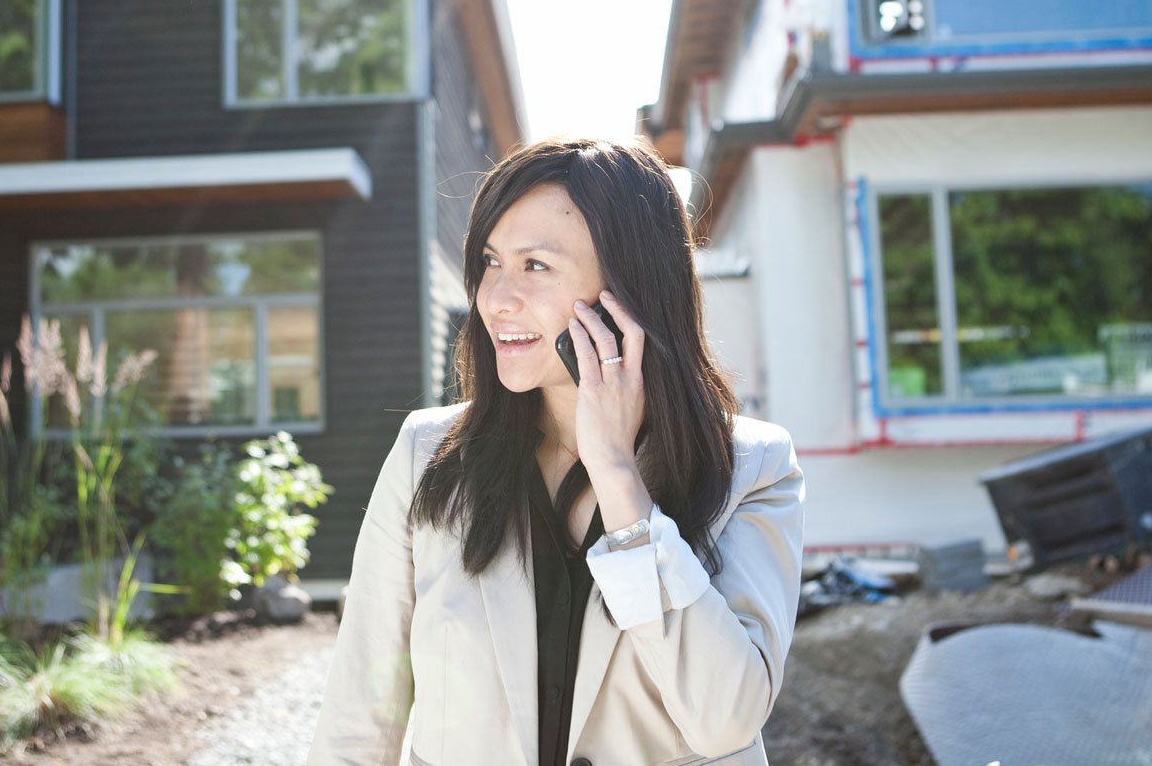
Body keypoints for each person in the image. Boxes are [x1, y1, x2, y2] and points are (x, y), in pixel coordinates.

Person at [308, 137, 805, 766]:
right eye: (490, 262)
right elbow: (360, 715)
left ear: (628, 287)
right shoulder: (426, 457)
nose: (495, 298)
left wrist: (622, 482)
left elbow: (725, 720)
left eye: (535, 265)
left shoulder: (752, 468)